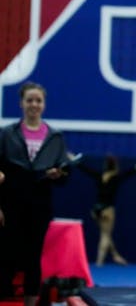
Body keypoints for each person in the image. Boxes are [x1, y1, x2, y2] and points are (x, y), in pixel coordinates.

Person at [0, 82, 70, 306]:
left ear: (44, 105)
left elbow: (65, 174)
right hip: (10, 204)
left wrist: (59, 174)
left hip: (39, 205)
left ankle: (30, 303)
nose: (34, 104)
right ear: (21, 103)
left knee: (33, 257)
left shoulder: (55, 136)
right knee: (7, 254)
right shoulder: (6, 134)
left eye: (38, 100)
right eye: (29, 100)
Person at [77, 154, 136, 266]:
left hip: (96, 209)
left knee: (105, 234)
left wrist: (73, 158)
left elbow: (85, 168)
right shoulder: (116, 178)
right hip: (107, 209)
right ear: (115, 166)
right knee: (105, 235)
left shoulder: (99, 175)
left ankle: (116, 255)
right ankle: (99, 262)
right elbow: (130, 172)